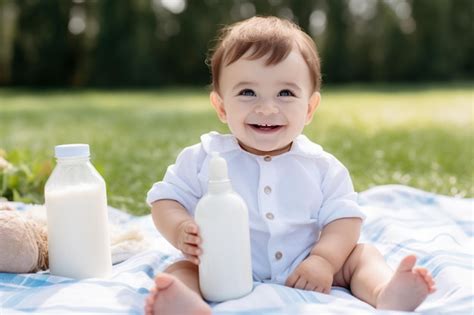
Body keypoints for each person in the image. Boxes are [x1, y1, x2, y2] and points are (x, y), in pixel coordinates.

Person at [144, 16, 436, 315]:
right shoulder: (203, 157)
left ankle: (383, 292)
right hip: (220, 267)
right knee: (181, 268)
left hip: (305, 266)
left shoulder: (322, 167)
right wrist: (179, 228)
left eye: (285, 93)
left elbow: (344, 220)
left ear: (309, 109)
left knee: (362, 256)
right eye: (247, 92)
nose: (267, 107)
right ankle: (184, 303)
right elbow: (167, 200)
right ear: (221, 107)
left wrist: (323, 260)